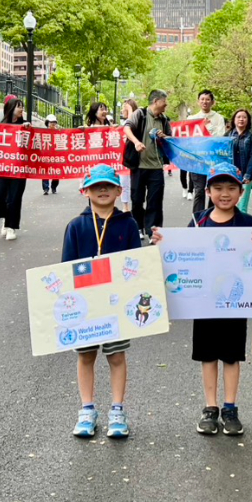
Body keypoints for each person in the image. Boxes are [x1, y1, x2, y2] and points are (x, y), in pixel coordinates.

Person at [153, 163, 252, 435]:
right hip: (204, 304)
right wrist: (163, 243)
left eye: (231, 188)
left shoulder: (248, 224)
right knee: (207, 356)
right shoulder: (198, 221)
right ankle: (211, 407)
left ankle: (230, 407)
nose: (225, 193)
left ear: (241, 191)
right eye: (218, 188)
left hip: (235, 305)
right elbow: (181, 253)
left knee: (231, 357)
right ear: (207, 191)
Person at [63, 164, 142, 440]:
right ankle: (87, 409)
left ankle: (117, 410)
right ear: (86, 191)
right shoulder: (76, 226)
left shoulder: (129, 224)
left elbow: (136, 264)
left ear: (119, 190)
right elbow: (66, 269)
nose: (103, 190)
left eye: (108, 185)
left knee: (117, 356)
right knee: (86, 356)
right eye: (96, 186)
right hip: (85, 307)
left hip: (116, 306)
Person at [123, 90, 171, 240]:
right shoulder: (140, 114)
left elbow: (170, 139)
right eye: (164, 101)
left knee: (155, 201)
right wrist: (136, 142)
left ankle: (153, 232)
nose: (166, 105)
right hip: (139, 166)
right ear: (156, 101)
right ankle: (138, 226)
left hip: (156, 167)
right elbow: (126, 128)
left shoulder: (164, 119)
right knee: (137, 200)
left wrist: (164, 137)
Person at [0, 96, 30, 241]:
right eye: (19, 106)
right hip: (0, 167)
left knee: (14, 197)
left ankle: (11, 226)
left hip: (18, 169)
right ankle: (5, 216)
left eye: (22, 107)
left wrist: (28, 129)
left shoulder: (25, 126)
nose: (21, 109)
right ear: (11, 108)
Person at [187, 89, 227, 214]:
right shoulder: (192, 119)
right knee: (199, 190)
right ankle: (198, 218)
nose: (205, 102)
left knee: (213, 189)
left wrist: (207, 126)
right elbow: (188, 139)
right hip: (197, 160)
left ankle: (212, 216)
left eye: (208, 99)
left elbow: (220, 137)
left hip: (214, 160)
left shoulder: (219, 118)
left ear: (212, 102)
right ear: (198, 102)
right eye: (202, 99)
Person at [227, 107, 252, 204]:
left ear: (248, 121)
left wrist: (248, 175)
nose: (241, 119)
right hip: (230, 174)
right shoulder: (227, 136)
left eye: (244, 117)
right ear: (234, 119)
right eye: (238, 117)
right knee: (230, 202)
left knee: (242, 204)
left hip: (245, 175)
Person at [42, 113, 61, 195]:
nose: (53, 124)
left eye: (54, 122)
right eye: (51, 122)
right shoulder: (42, 132)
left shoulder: (58, 133)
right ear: (47, 123)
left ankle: (54, 187)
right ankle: (46, 188)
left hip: (56, 156)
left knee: (56, 173)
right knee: (45, 172)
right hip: (46, 155)